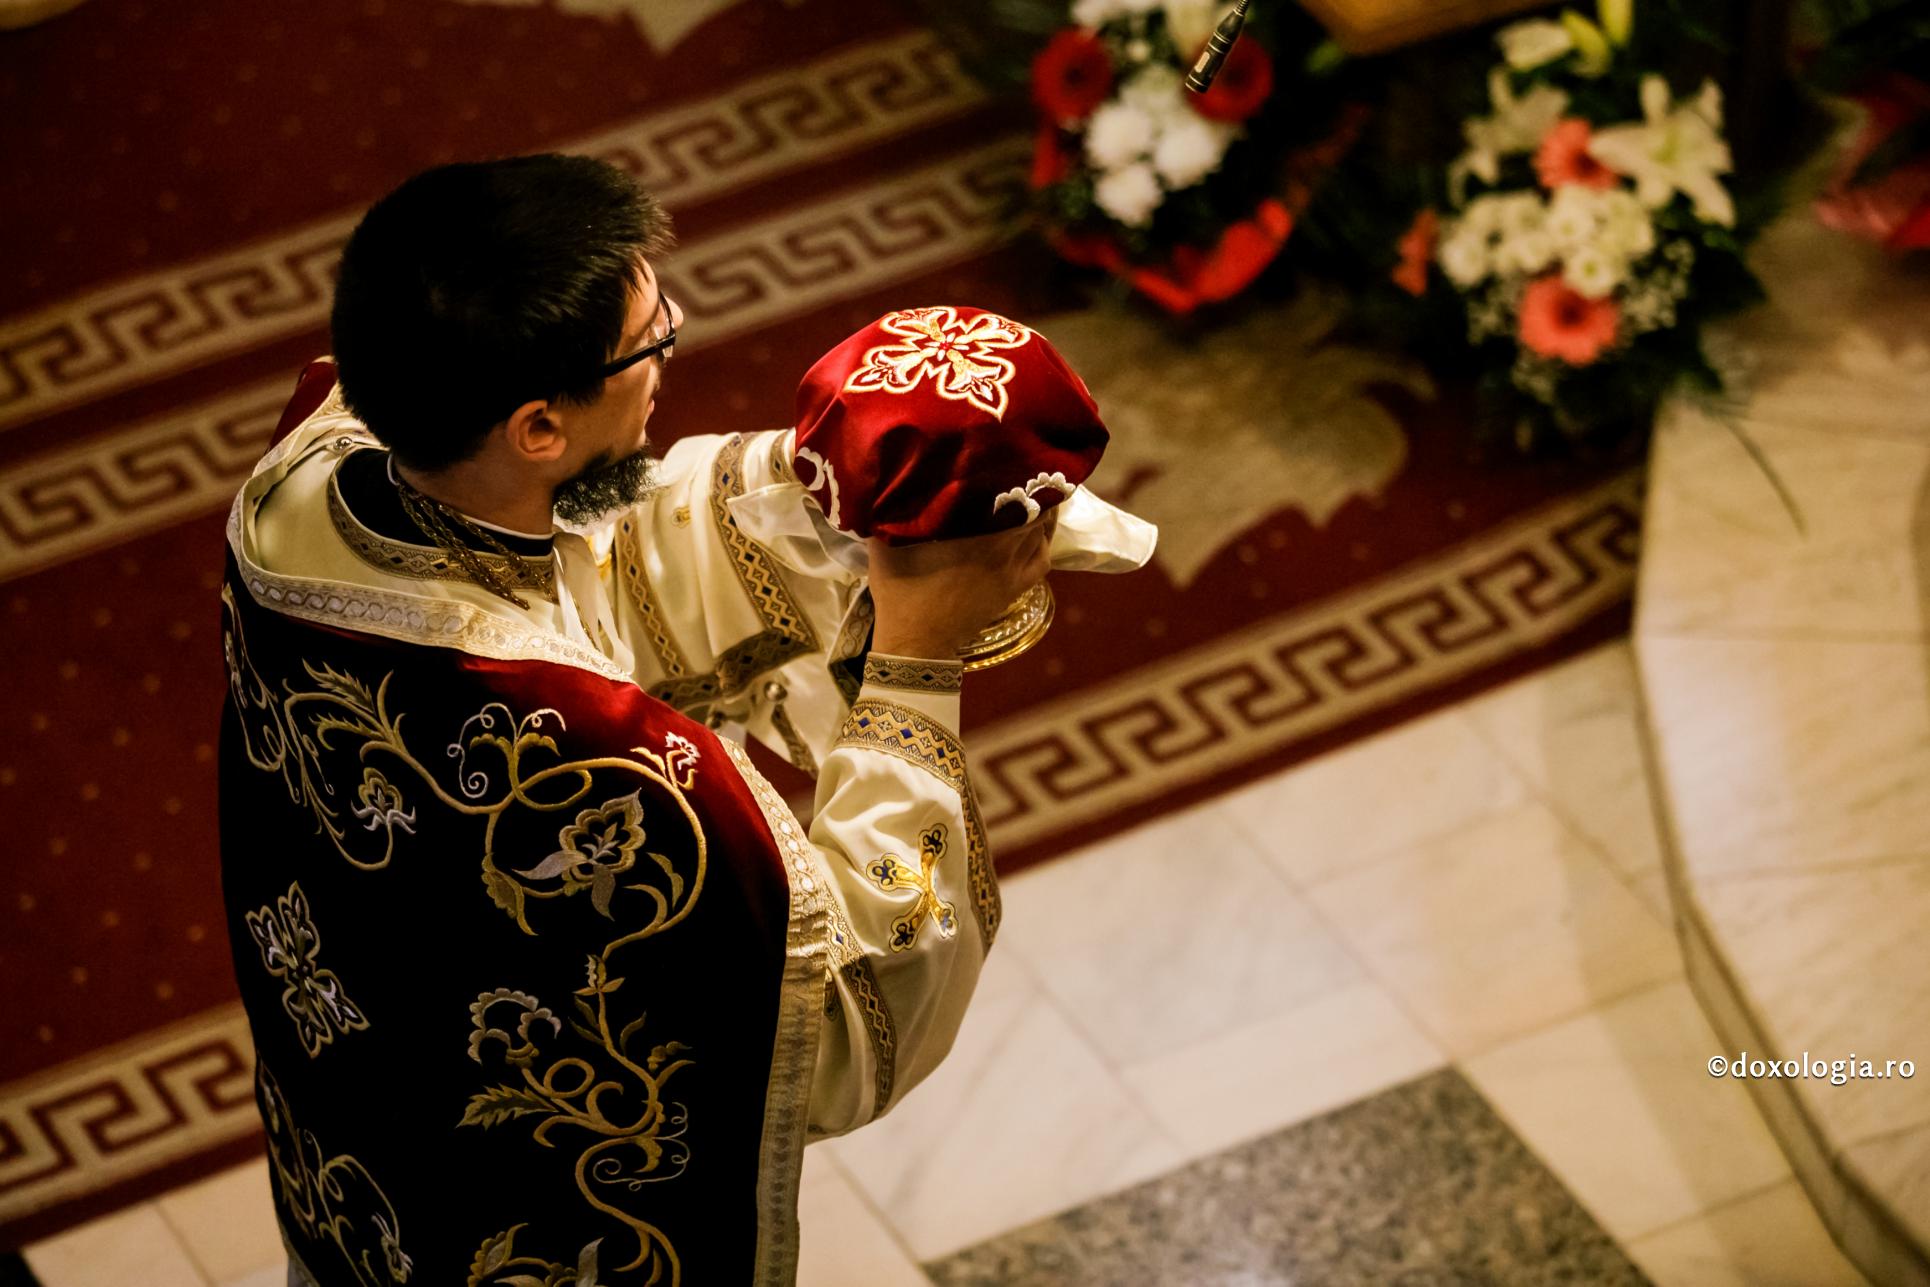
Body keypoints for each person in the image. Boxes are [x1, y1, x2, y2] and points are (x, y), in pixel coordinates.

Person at [218, 153, 1147, 1287]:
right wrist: (915, 655)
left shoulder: (305, 480)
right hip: (534, 1231)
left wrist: (826, 486)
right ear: (537, 428)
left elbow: (585, 561)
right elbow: (842, 1028)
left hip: (363, 1131)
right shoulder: (600, 774)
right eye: (653, 343)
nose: (674, 359)